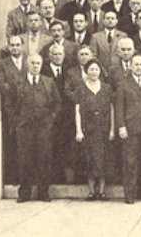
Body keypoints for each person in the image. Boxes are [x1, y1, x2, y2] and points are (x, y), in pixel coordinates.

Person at [8, 54, 61, 202]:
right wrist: (17, 121)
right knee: (25, 160)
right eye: (33, 63)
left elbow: (57, 103)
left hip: (44, 129)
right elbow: (10, 104)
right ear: (27, 64)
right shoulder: (18, 83)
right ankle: (24, 193)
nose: (35, 66)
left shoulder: (49, 82)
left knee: (44, 159)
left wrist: (50, 119)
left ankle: (43, 192)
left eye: (38, 63)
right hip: (24, 128)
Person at [116, 54, 141, 204]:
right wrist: (121, 126)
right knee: (130, 162)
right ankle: (130, 194)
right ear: (131, 66)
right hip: (131, 128)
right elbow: (119, 107)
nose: (139, 67)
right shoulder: (123, 84)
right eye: (136, 64)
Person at [75, 59, 115, 201]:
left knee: (103, 159)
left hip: (103, 128)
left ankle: (102, 191)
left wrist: (112, 129)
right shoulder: (81, 88)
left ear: (100, 72)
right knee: (90, 159)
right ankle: (92, 191)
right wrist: (79, 130)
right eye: (91, 69)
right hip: (88, 128)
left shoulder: (106, 88)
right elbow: (78, 109)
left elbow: (111, 109)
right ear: (86, 71)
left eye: (96, 69)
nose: (94, 72)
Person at [0, 35, 26, 184]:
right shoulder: (3, 64)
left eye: (18, 45)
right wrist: (17, 90)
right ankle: (14, 177)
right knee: (13, 142)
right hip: (11, 108)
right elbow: (1, 84)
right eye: (12, 45)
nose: (15, 48)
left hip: (28, 107)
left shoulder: (29, 61)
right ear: (8, 47)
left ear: (22, 46)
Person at [63, 45, 95, 183]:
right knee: (76, 146)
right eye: (81, 54)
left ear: (92, 56)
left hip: (93, 115)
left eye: (86, 54)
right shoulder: (71, 72)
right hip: (76, 113)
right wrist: (80, 98)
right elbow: (67, 90)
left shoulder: (97, 70)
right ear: (77, 57)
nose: (84, 57)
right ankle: (77, 177)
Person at [40, 44, 69, 183]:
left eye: (60, 54)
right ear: (50, 56)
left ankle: (63, 176)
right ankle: (51, 177)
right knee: (48, 146)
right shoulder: (43, 71)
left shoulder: (68, 70)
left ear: (64, 55)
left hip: (66, 117)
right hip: (48, 116)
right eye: (55, 54)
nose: (58, 57)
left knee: (64, 146)